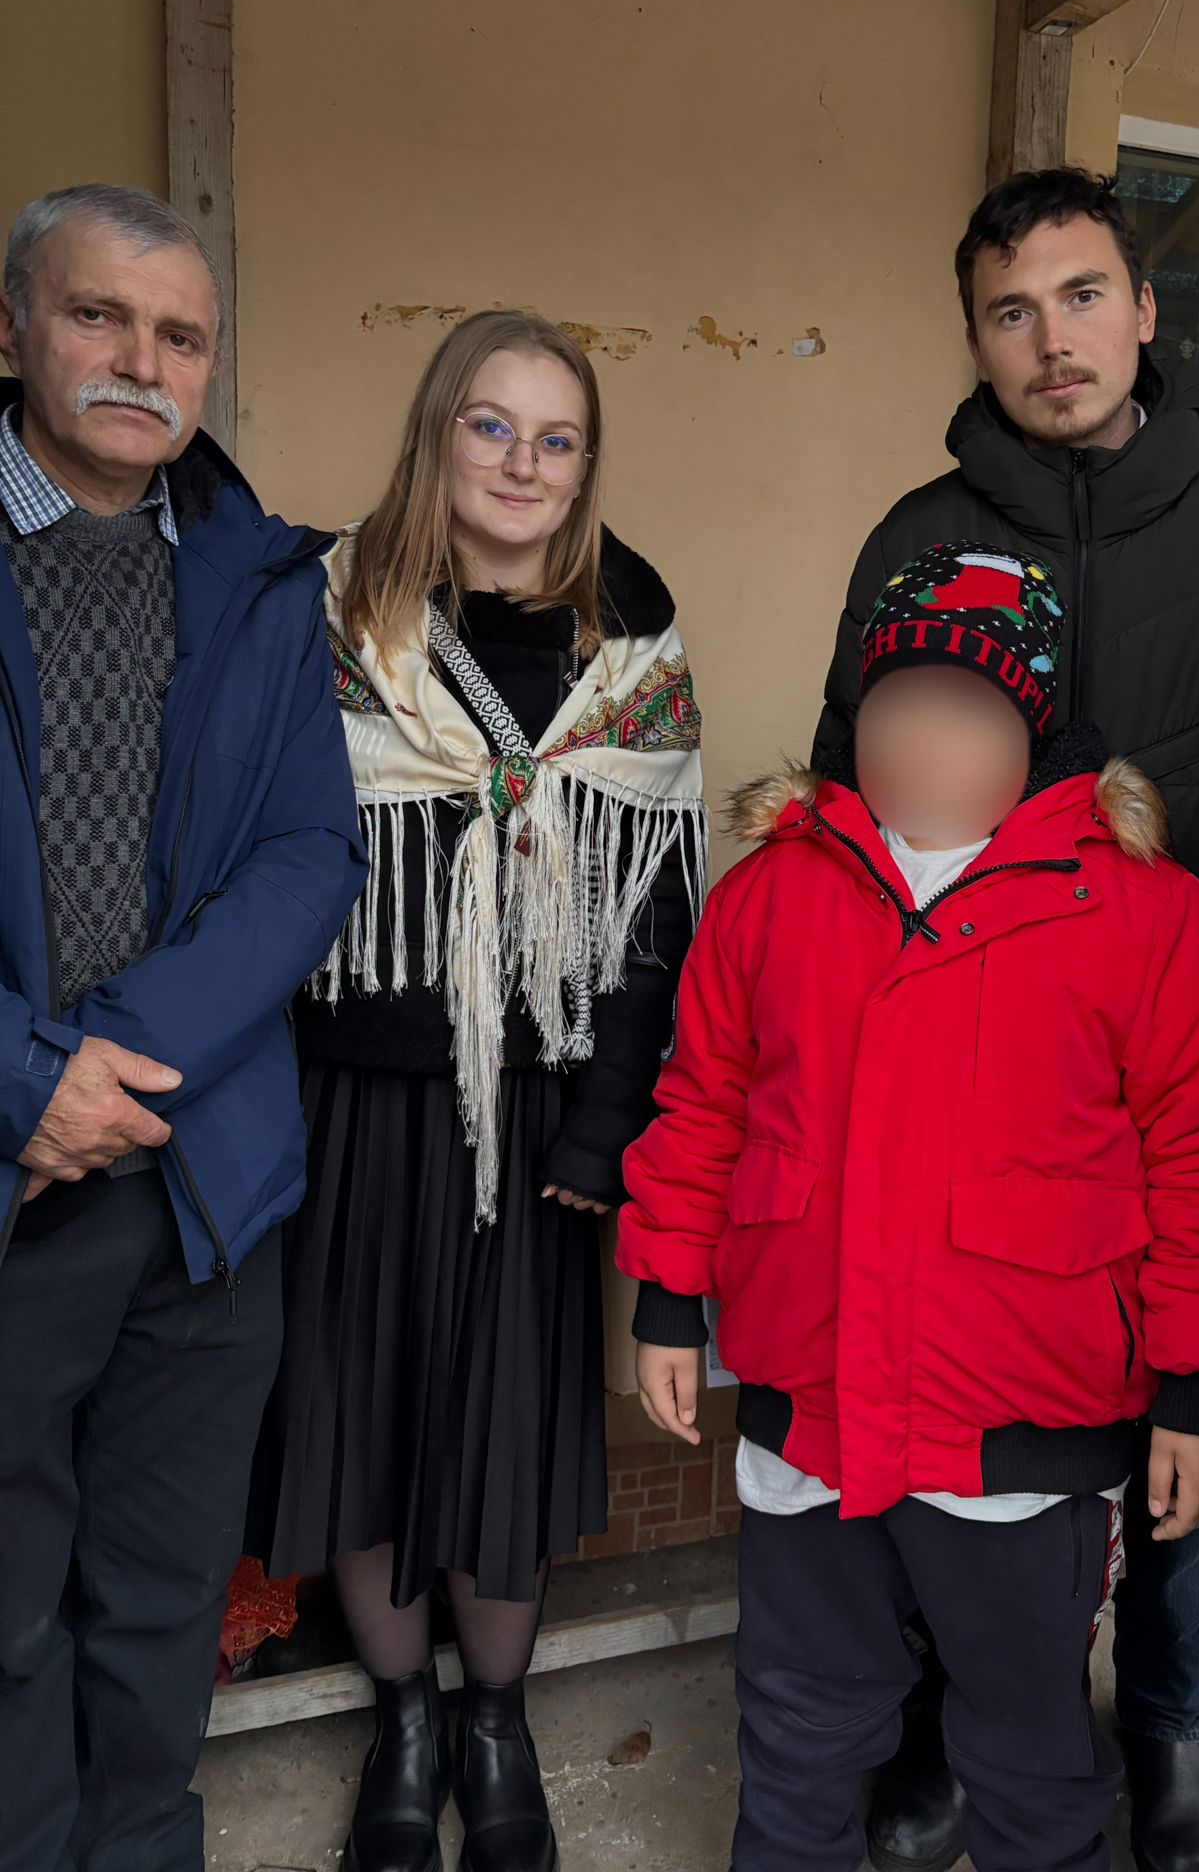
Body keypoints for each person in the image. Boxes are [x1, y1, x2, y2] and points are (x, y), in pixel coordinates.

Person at [811, 168, 1199, 1872]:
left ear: (1146, 309)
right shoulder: (918, 535)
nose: (1054, 339)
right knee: (963, 1424)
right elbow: (846, 815)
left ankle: (1170, 1717)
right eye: (1012, 310)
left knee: (1193, 1411)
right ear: (975, 337)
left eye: (1085, 294)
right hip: (973, 1079)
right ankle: (945, 1716)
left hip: (1197, 1056)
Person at [620, 540, 1199, 1872]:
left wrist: (1198, 1386)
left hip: (1020, 1431)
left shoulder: (1144, 913)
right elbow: (701, 1105)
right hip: (811, 1411)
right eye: (900, 702)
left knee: (1029, 1741)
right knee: (797, 1723)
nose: (924, 739)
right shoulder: (773, 892)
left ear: (1035, 737)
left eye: (968, 709)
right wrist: (666, 1298)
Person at [247, 309, 707, 1872]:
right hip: (352, 1110)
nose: (523, 462)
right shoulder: (331, 615)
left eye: (556, 437)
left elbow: (653, 909)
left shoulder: (630, 640)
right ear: (438, 433)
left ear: (586, 464)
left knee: (504, 1425)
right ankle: (405, 1721)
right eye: (491, 426)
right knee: (363, 1415)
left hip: (537, 1125)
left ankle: (494, 1721)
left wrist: (608, 1119)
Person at [0, 184, 364, 1871]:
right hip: (17, 1176)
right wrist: (25, 1084)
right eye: (99, 317)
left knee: (158, 1606)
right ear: (14, 329)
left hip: (200, 1182)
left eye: (182, 335)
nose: (142, 363)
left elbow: (307, 857)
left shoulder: (259, 577)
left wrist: (105, 1068)